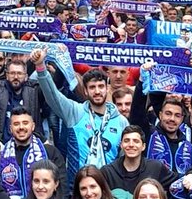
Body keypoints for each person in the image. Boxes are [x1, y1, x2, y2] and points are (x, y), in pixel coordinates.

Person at [30, 48, 127, 188]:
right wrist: (40, 67)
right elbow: (53, 96)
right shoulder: (75, 111)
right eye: (92, 87)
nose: (98, 91)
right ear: (86, 91)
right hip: (77, 188)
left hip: (109, 189)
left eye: (101, 86)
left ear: (107, 88)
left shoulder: (121, 121)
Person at [0, 108, 64, 199]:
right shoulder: (1, 156)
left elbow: (62, 185)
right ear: (10, 129)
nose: (21, 127)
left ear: (33, 126)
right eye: (16, 124)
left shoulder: (50, 152)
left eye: (25, 123)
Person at [101, 125, 174, 199]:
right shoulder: (107, 172)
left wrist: (188, 175)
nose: (131, 145)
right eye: (126, 141)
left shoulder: (155, 167)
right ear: (121, 145)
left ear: (143, 146)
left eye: (136, 141)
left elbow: (178, 181)